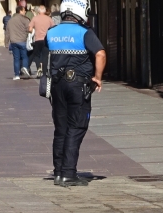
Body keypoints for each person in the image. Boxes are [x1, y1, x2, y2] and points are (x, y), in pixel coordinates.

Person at [46, 0, 106, 187]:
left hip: (57, 86)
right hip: (77, 85)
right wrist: (97, 77)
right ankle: (69, 173)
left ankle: (58, 172)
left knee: (60, 128)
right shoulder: (85, 32)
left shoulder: (52, 32)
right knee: (76, 127)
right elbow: (101, 54)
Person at [5, 6, 31, 80]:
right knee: (24, 56)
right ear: (20, 11)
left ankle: (17, 75)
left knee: (16, 58)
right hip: (22, 41)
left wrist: (6, 43)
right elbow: (28, 29)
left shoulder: (10, 20)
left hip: (13, 42)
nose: (25, 11)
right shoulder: (25, 20)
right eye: (24, 10)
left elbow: (7, 33)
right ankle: (25, 68)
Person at [28, 5, 55, 78]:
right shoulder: (49, 18)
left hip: (37, 39)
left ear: (38, 11)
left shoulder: (34, 18)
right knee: (45, 56)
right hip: (46, 39)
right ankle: (44, 72)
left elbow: (30, 29)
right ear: (45, 11)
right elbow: (53, 28)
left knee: (37, 55)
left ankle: (39, 67)